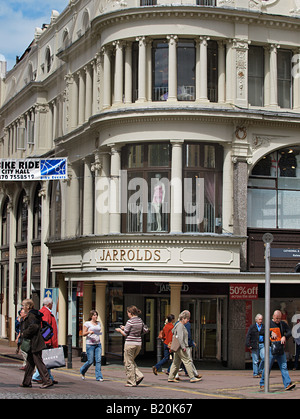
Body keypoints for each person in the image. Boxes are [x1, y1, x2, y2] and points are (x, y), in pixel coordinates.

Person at [20, 298, 53, 389]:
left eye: (23, 305)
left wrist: (24, 333)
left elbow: (33, 327)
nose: (22, 307)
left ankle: (47, 380)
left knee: (38, 362)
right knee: (30, 363)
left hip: (35, 342)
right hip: (33, 343)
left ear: (27, 306)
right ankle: (26, 382)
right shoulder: (32, 314)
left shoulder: (31, 315)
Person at [259, 310, 296, 391]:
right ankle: (262, 383)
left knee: (284, 366)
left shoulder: (283, 324)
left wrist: (285, 337)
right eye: (276, 318)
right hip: (270, 348)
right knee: (267, 367)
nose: (278, 320)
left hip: (280, 348)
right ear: (273, 316)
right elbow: (261, 332)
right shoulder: (268, 323)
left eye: (279, 318)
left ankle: (287, 384)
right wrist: (270, 332)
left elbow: (290, 331)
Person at [115, 305, 149, 387]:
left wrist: (120, 330)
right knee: (131, 360)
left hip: (130, 343)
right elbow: (145, 330)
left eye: (128, 313)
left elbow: (125, 333)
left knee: (128, 362)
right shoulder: (140, 320)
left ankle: (131, 381)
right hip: (138, 343)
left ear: (130, 313)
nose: (127, 315)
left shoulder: (130, 321)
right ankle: (138, 375)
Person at [168, 310, 202, 384]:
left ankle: (171, 377)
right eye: (187, 319)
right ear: (183, 318)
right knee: (187, 361)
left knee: (175, 363)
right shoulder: (180, 325)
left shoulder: (177, 324)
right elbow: (180, 337)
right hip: (181, 347)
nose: (188, 320)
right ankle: (192, 377)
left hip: (177, 347)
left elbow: (173, 331)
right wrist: (184, 346)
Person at [32, 297, 58, 384]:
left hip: (45, 340)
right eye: (52, 304)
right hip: (47, 341)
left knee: (47, 360)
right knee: (45, 361)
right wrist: (48, 340)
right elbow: (46, 328)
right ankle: (36, 376)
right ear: (49, 304)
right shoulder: (46, 313)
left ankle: (49, 377)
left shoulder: (43, 311)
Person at [80, 310, 104, 382]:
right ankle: (82, 370)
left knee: (98, 360)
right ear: (91, 316)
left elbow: (98, 331)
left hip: (98, 344)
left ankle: (99, 376)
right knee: (90, 361)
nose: (96, 316)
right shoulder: (87, 323)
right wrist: (89, 332)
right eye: (94, 315)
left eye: (96, 315)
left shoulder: (98, 323)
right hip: (90, 344)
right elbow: (83, 334)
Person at [245, 314, 265, 378]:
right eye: (259, 319)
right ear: (256, 320)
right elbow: (248, 335)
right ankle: (255, 373)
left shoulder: (264, 326)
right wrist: (248, 344)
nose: (261, 321)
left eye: (261, 319)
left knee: (264, 358)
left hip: (262, 344)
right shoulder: (252, 327)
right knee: (255, 360)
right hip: (254, 344)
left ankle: (260, 371)